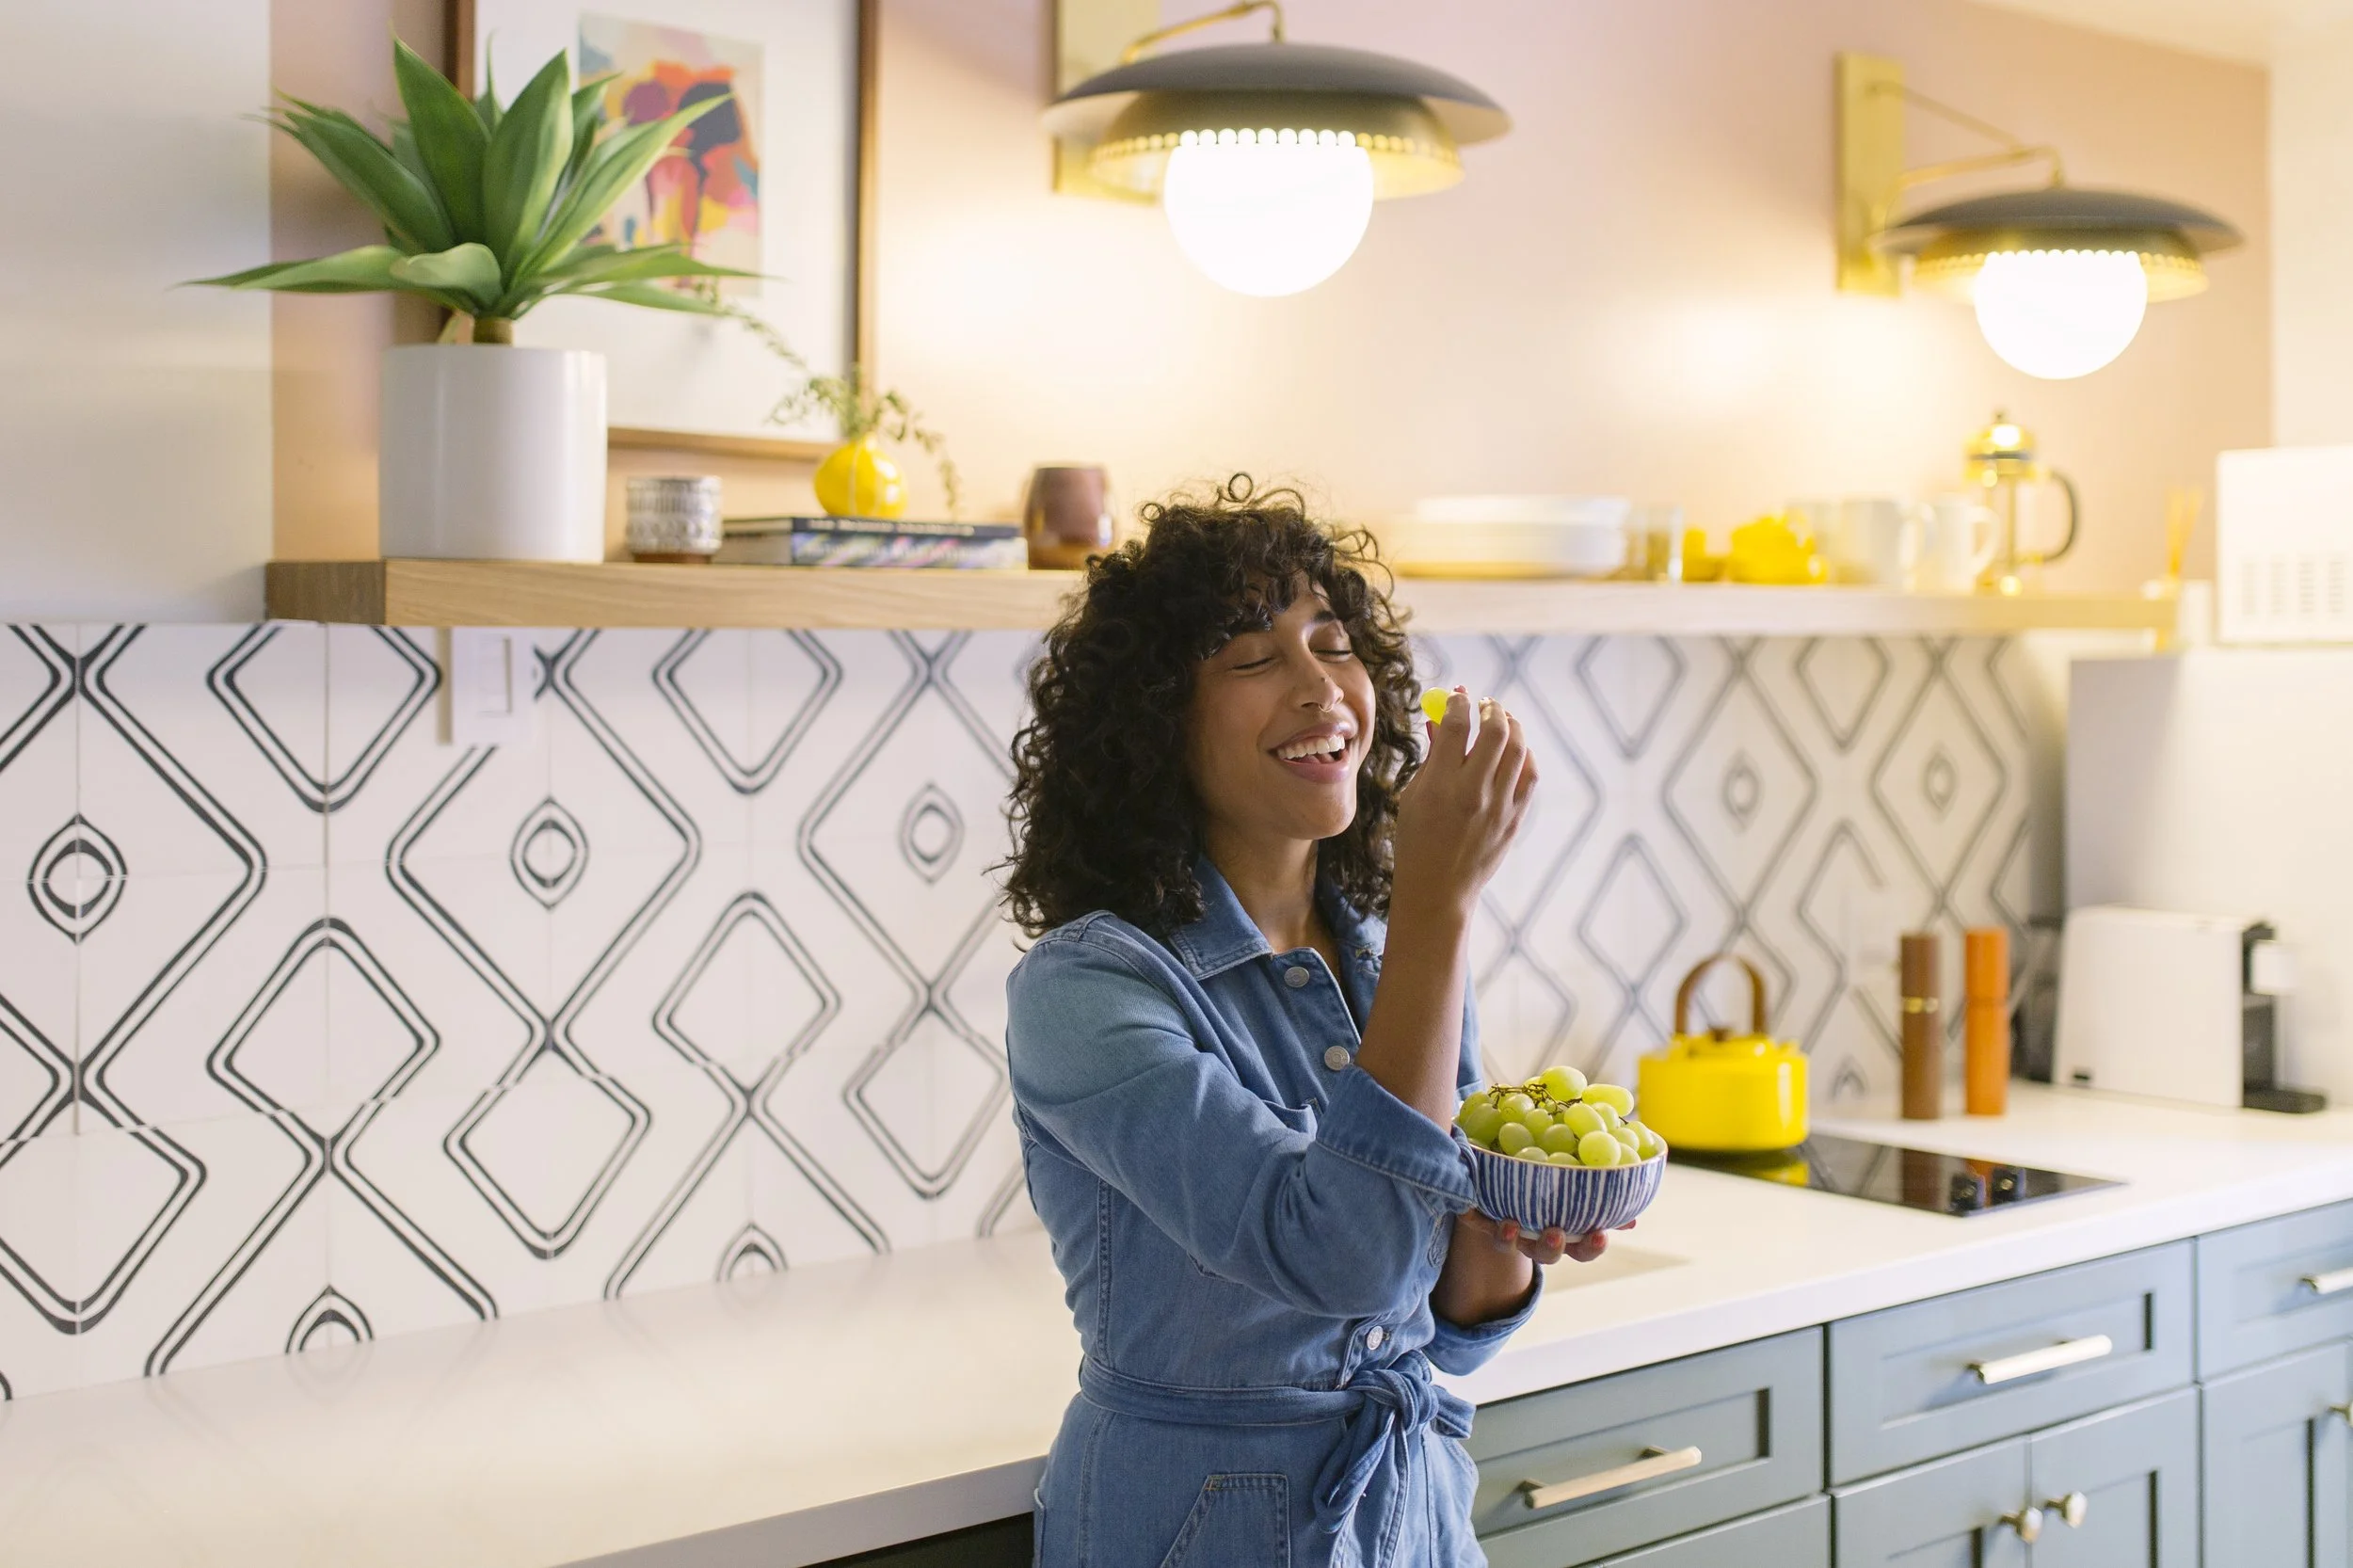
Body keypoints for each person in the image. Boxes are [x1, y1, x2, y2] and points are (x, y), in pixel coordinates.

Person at [1002, 477, 1612, 1566]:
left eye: (1334, 643)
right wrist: (1438, 902)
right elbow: (1345, 1260)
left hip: (1412, 1514)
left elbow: (1441, 1326)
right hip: (1195, 1525)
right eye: (1251, 657)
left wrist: (1503, 1234)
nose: (1319, 686)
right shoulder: (1087, 989)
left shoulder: (1388, 952)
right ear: (1155, 721)